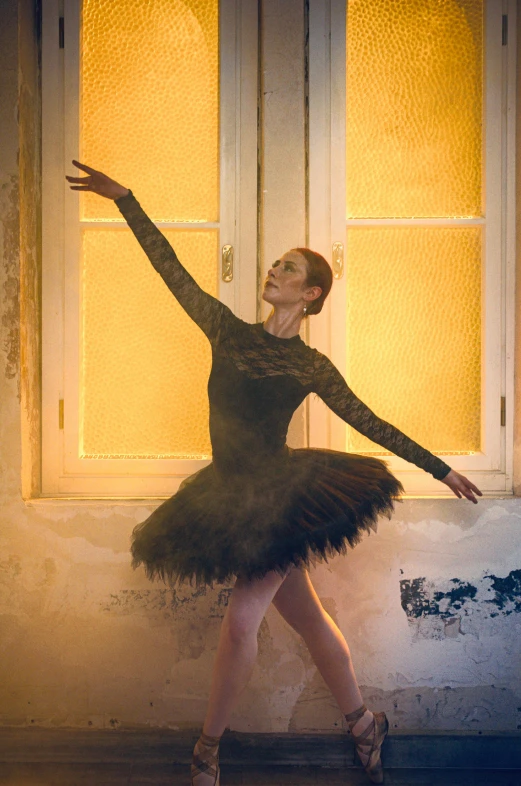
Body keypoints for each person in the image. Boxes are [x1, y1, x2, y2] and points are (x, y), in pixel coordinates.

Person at [66, 160, 482, 785]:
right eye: (275, 264)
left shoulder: (310, 366)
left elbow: (370, 421)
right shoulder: (227, 333)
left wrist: (441, 467)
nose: (274, 270)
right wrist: (127, 199)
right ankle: (367, 728)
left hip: (281, 498)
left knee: (240, 623)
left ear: (310, 294)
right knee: (310, 621)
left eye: (289, 268)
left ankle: (206, 751)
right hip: (226, 495)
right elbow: (168, 269)